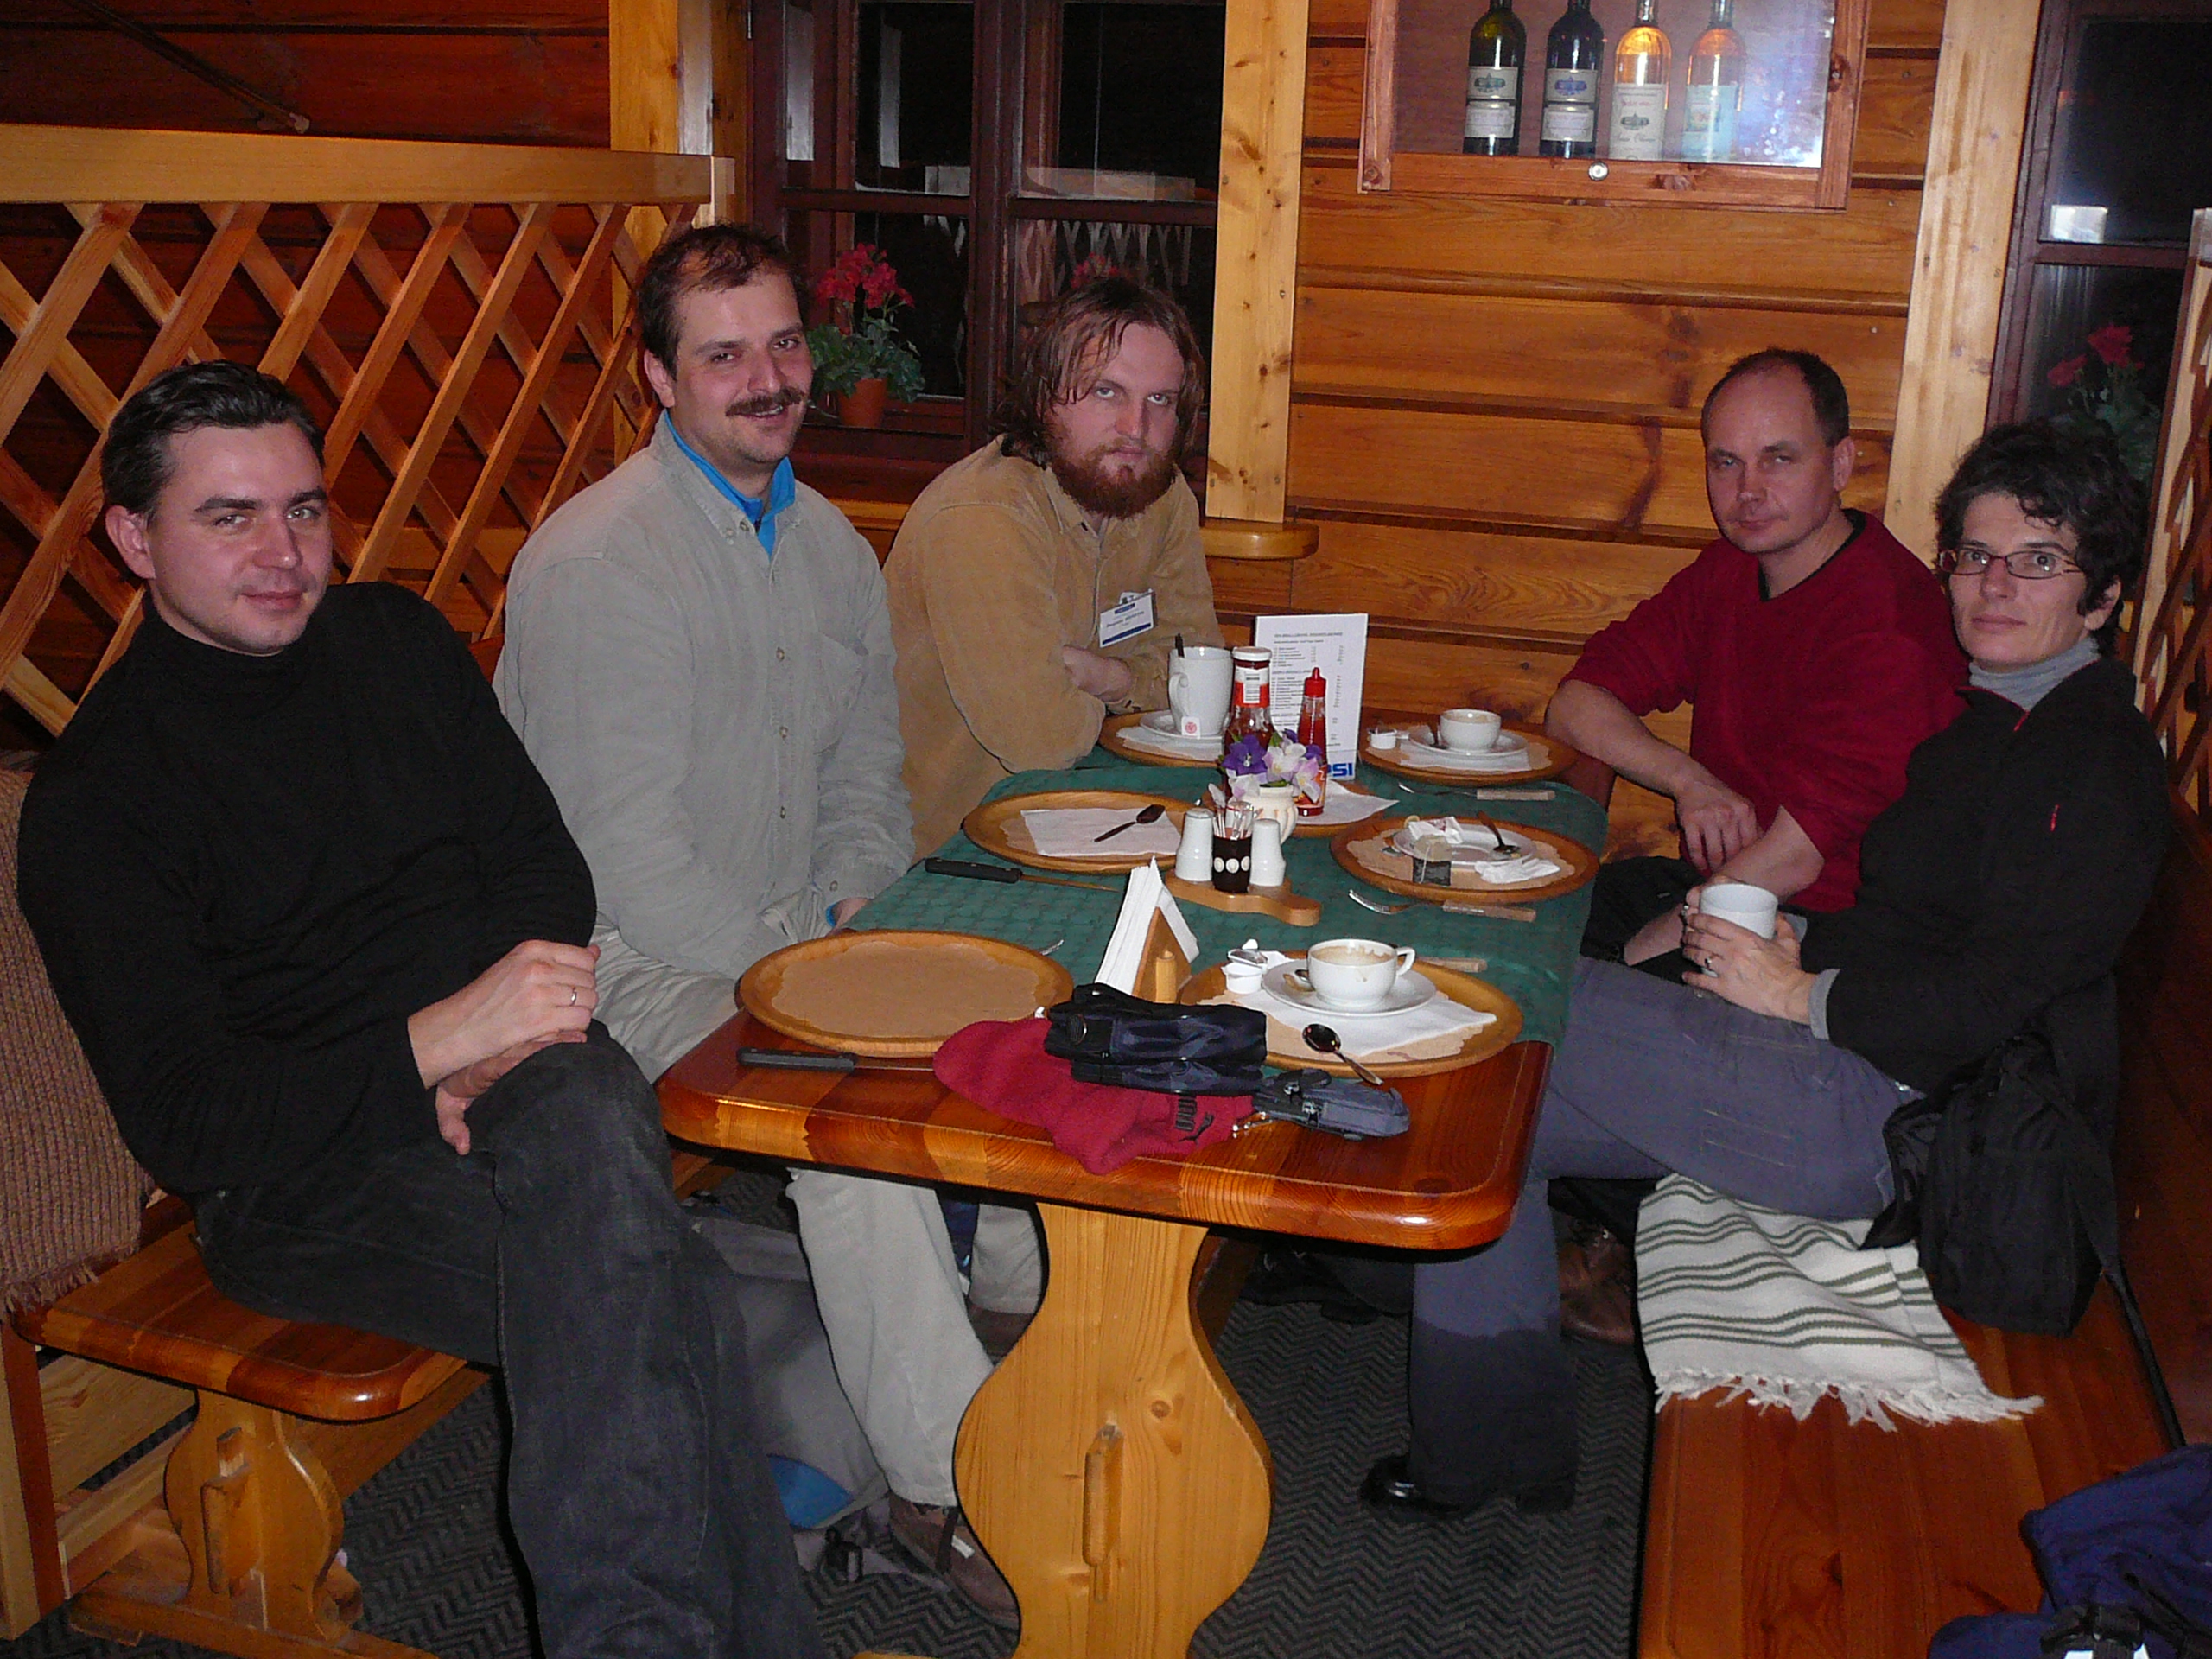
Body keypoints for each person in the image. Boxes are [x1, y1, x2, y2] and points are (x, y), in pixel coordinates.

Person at [17, 360, 824, 1659]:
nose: (283, 552)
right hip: (304, 1178)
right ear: (133, 537)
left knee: (598, 1140)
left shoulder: (391, 640)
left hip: (528, 1081)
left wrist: (490, 1043)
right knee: (661, 1291)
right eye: (229, 517)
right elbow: (192, 1123)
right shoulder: (102, 798)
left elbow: (542, 868)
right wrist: (436, 1046)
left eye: (303, 509)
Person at [1363, 421, 2170, 1521]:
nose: (1993, 585)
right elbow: (1916, 924)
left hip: (1890, 1120)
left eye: (2037, 560)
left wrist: (1805, 993)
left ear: (2103, 594)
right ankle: (1493, 1454)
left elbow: (1999, 996)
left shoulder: (2090, 759)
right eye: (1975, 555)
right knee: (1495, 1120)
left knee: (1499, 1008)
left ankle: (1484, 1443)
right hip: (1845, 1064)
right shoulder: (1998, 718)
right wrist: (1804, 950)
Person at [494, 223, 1028, 1625]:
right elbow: (623, 865)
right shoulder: (599, 565)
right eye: (724, 354)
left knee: (1015, 1017)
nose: (769, 377)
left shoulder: (832, 547)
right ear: (659, 379)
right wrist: (812, 976)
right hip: (629, 964)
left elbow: (865, 779)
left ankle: (1017, 1327)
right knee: (846, 1136)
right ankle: (942, 1487)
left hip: (794, 934)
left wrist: (861, 916)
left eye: (785, 344)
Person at [1550, 349, 1967, 974]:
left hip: (1830, 935)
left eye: (1778, 458)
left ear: (1841, 464)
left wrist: (1624, 964)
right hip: (1720, 889)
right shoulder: (1730, 570)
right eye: (1727, 462)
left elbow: (1791, 861)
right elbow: (1574, 705)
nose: (1747, 491)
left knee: (1576, 984)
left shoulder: (1889, 622)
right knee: (1517, 922)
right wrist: (1689, 780)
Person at [886, 276, 1224, 856]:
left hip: (1093, 817)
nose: (1135, 428)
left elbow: (1201, 681)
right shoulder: (985, 516)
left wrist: (1104, 677)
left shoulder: (1161, 497)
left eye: (1160, 401)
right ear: (1044, 398)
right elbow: (1041, 740)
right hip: (950, 854)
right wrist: (1141, 685)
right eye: (1105, 392)